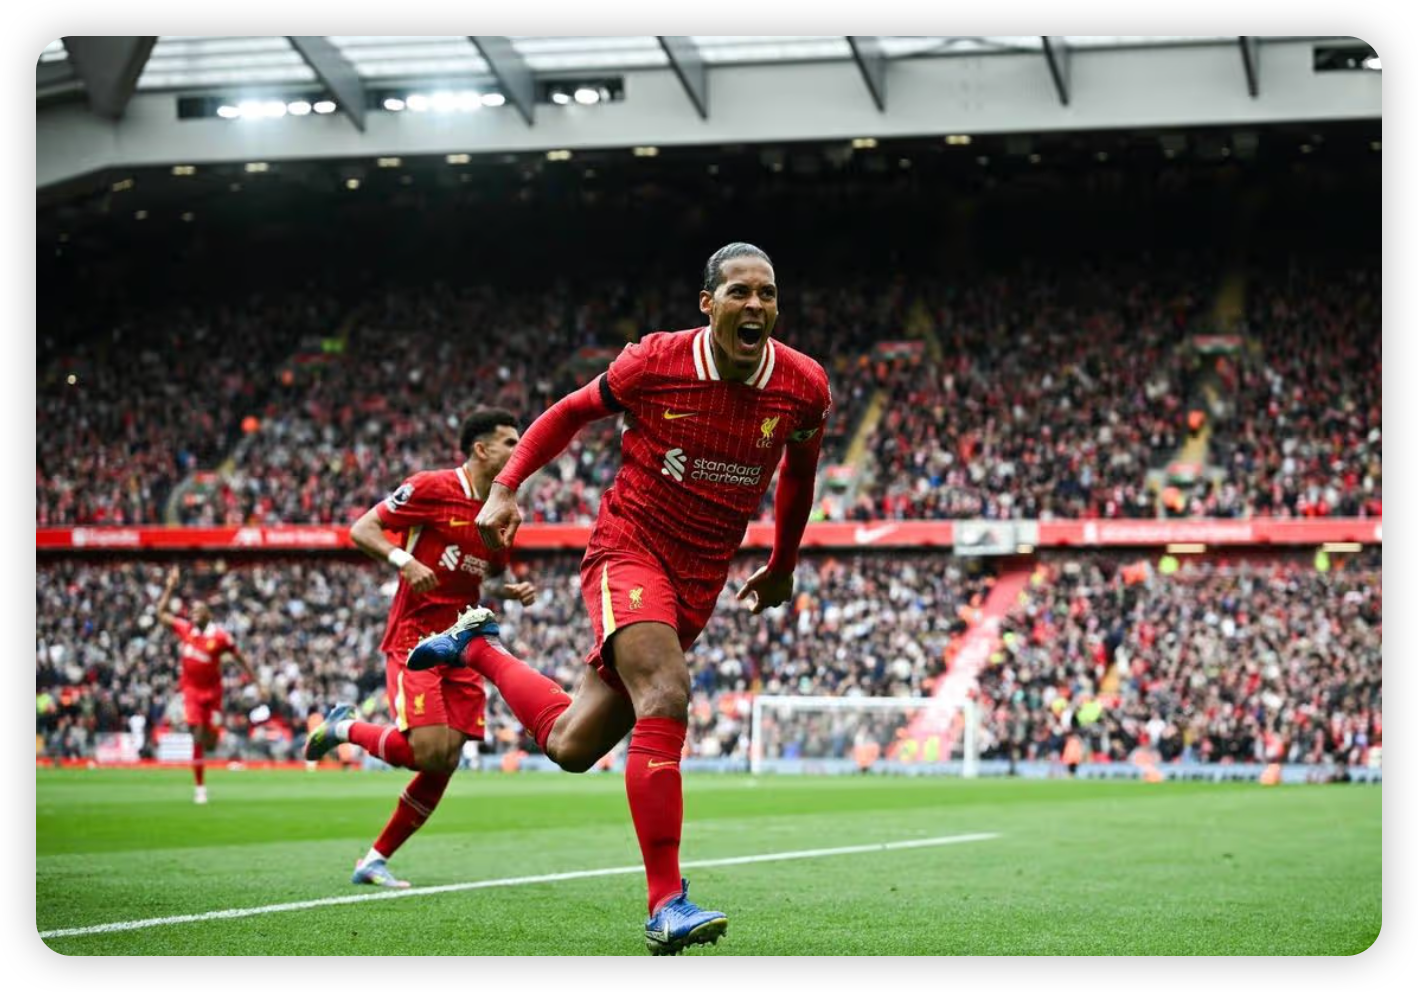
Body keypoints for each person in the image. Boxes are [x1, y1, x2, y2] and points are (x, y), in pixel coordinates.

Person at [411, 243, 831, 954]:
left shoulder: (804, 386)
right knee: (666, 692)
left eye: (766, 293)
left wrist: (784, 562)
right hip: (629, 548)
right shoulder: (655, 361)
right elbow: (569, 414)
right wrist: (508, 486)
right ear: (708, 303)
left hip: (699, 578)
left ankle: (475, 646)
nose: (754, 305)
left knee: (574, 746)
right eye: (738, 292)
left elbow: (799, 473)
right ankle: (667, 901)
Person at [304, 408, 538, 888]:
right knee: (427, 750)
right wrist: (403, 559)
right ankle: (344, 727)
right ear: (482, 449)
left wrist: (509, 589)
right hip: (416, 637)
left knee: (445, 760)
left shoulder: (504, 508)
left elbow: (488, 573)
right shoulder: (432, 487)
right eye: (511, 442)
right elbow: (362, 528)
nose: (521, 450)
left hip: (466, 640)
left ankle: (373, 860)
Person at [154, 565, 257, 804]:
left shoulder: (219, 637)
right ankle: (200, 788)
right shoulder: (186, 630)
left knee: (210, 743)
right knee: (197, 736)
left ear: (208, 615)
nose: (193, 615)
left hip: (213, 694)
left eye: (198, 612)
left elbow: (240, 658)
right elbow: (161, 614)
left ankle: (210, 741)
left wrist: (256, 681)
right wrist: (169, 587)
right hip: (191, 692)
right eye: (191, 612)